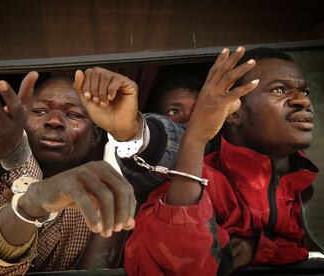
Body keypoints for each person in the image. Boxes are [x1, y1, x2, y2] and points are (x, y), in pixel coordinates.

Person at [102, 47, 317, 275]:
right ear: (232, 113)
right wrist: (195, 138)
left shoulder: (304, 186)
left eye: (305, 92)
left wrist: (260, 249)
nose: (302, 102)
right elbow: (166, 266)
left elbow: (303, 247)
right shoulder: (192, 184)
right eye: (280, 89)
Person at [0, 71, 138, 274]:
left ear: (95, 137)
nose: (54, 120)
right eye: (39, 111)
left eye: (73, 115)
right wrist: (34, 201)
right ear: (21, 123)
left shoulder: (101, 194)